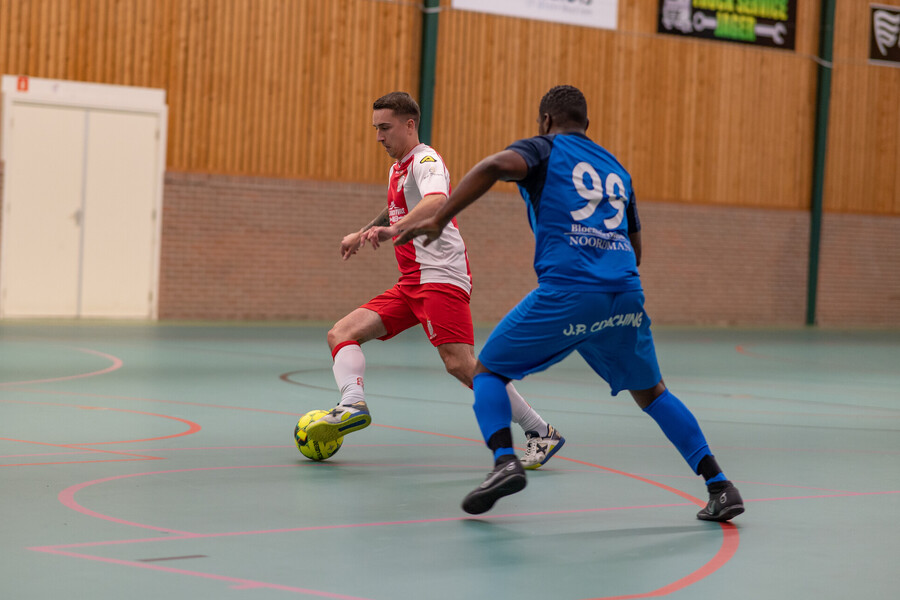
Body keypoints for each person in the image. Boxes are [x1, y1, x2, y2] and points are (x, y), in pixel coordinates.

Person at [394, 85, 744, 521]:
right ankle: (720, 485)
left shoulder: (544, 150)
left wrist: (440, 217)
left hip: (570, 291)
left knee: (488, 370)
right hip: (625, 294)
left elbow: (493, 165)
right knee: (653, 393)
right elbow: (635, 249)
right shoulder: (616, 169)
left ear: (545, 121)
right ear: (587, 125)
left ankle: (505, 461)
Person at [305, 91, 565, 470]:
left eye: (385, 128)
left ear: (410, 125)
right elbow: (397, 207)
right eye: (375, 128)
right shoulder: (399, 167)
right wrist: (362, 232)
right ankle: (351, 405)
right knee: (341, 333)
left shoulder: (427, 160)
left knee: (461, 365)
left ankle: (541, 431)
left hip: (440, 277)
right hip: (411, 281)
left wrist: (392, 231)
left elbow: (437, 201)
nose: (379, 137)